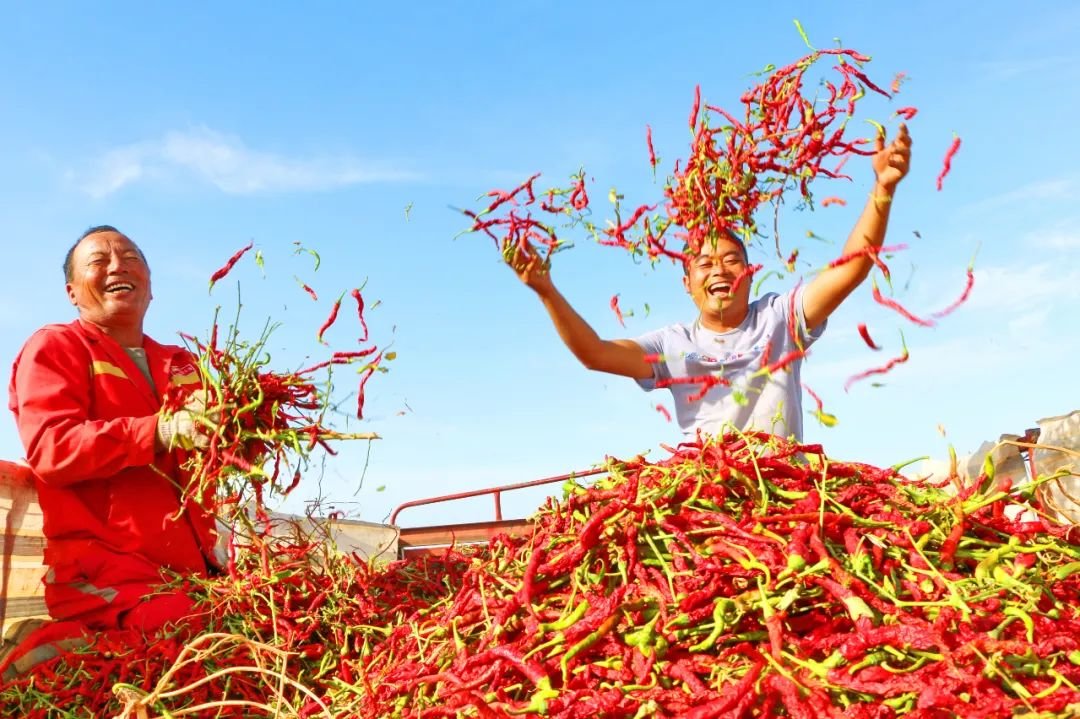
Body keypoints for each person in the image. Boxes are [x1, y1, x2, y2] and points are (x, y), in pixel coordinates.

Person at [507, 126, 913, 442]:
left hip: (783, 489)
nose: (719, 269)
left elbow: (852, 268)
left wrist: (883, 188)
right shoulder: (671, 345)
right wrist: (547, 291)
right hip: (706, 495)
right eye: (705, 263)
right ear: (688, 283)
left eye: (732, 260)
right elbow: (595, 354)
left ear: (750, 273)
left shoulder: (780, 318)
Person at [1, 226, 219, 677]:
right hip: (102, 573)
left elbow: (212, 457)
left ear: (151, 288)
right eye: (99, 261)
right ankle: (43, 655)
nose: (118, 265)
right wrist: (157, 431)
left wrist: (242, 436)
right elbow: (52, 449)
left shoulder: (182, 363)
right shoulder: (56, 347)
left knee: (248, 623)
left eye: (131, 257)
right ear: (72, 292)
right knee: (193, 631)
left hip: (192, 573)